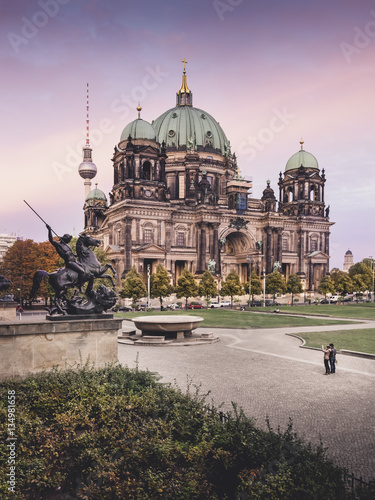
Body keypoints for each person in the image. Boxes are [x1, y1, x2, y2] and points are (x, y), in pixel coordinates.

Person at [46, 224, 85, 290]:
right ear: (65, 239)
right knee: (82, 271)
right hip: (70, 262)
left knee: (85, 268)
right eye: (69, 239)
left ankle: (79, 281)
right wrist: (49, 230)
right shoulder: (58, 245)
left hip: (74, 260)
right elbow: (51, 240)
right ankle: (80, 285)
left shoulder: (67, 245)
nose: (69, 241)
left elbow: (71, 254)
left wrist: (78, 255)